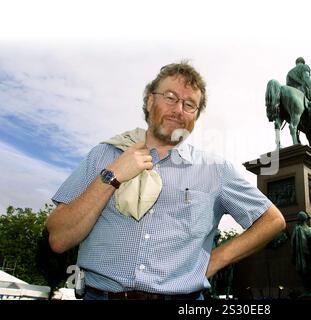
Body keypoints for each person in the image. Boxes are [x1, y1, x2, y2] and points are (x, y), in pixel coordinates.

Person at [46, 61, 286, 300]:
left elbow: (272, 220)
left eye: (189, 104)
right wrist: (112, 176)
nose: (179, 110)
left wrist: (213, 262)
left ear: (195, 117)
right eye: (170, 97)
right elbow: (59, 239)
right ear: (150, 101)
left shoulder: (215, 170)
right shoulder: (104, 155)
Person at [291, 211, 311, 296]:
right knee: (307, 272)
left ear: (299, 219)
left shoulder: (298, 229)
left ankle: (309, 290)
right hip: (307, 254)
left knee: (306, 272)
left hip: (305, 254)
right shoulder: (310, 230)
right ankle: (309, 290)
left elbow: (293, 242)